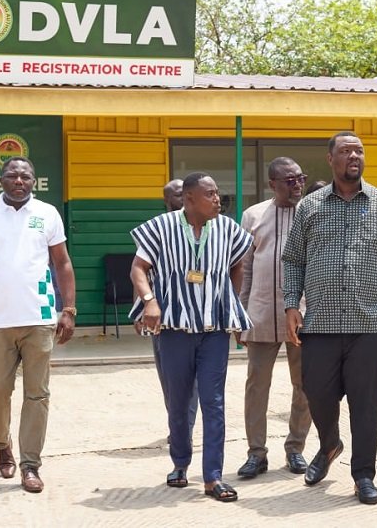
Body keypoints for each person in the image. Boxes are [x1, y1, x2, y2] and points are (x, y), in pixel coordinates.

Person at [283, 131, 377, 505]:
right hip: (321, 322)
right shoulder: (309, 207)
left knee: (366, 404)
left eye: (359, 150)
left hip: (371, 324)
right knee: (317, 392)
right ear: (331, 160)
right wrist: (291, 304)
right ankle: (329, 444)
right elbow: (293, 259)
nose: (353, 156)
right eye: (345, 151)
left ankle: (363, 474)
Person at [129, 172, 253, 503]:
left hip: (214, 331)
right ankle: (180, 463)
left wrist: (232, 302)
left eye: (218, 194)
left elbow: (238, 265)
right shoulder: (161, 227)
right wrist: (149, 301)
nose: (218, 200)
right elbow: (138, 269)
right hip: (174, 330)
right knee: (179, 402)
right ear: (189, 198)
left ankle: (213, 477)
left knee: (214, 402)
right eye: (210, 194)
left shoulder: (227, 229)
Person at [0, 156, 76, 494]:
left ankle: (30, 464)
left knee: (37, 395)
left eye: (26, 176)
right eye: (13, 175)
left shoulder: (47, 214)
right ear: (2, 180)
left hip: (39, 319)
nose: (19, 180)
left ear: (33, 181)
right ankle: (1, 443)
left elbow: (63, 262)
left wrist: (67, 309)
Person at [236, 157, 313, 480]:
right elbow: (244, 267)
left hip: (305, 315)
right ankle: (256, 453)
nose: (297, 185)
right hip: (261, 312)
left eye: (300, 179)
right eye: (289, 181)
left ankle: (295, 449)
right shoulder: (253, 215)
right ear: (272, 185)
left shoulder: (313, 213)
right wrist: (239, 315)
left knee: (305, 385)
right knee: (257, 386)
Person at [136, 179, 199, 445]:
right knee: (169, 377)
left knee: (193, 378)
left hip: (198, 316)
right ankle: (177, 423)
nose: (181, 198)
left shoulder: (205, 227)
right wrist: (141, 308)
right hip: (162, 315)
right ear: (167, 201)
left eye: (185, 193)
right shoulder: (158, 230)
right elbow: (140, 270)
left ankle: (184, 429)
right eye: (175, 195)